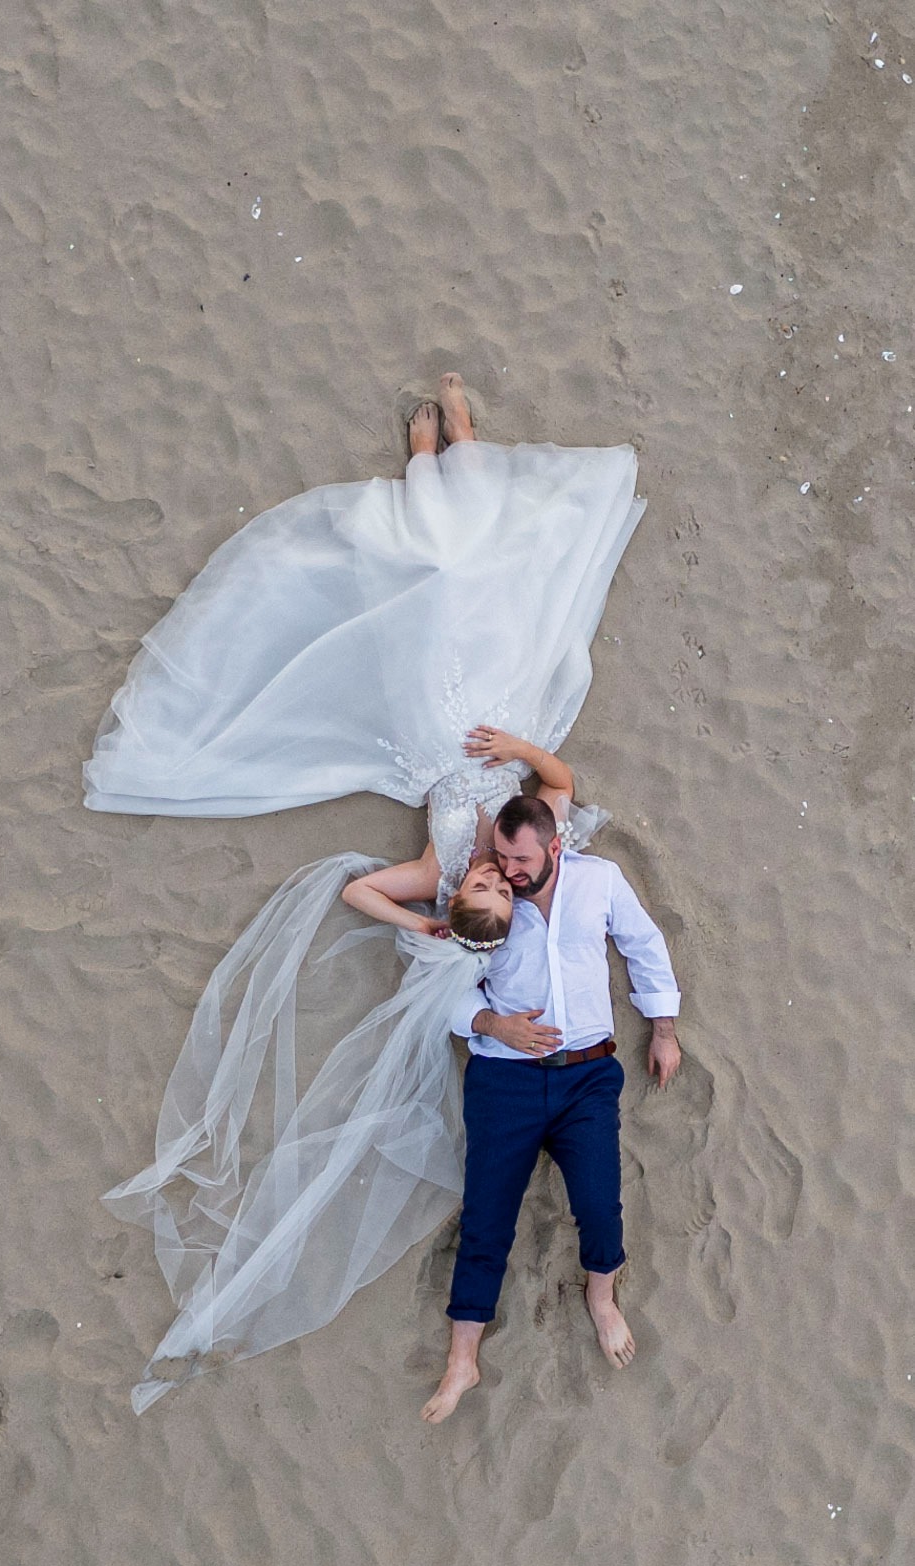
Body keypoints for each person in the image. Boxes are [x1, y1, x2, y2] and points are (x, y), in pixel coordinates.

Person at [94, 375, 650, 1410]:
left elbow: (357, 895)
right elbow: (560, 788)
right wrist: (517, 749)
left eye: (485, 874)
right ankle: (457, 449)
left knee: (426, 607)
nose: (493, 865)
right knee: (483, 595)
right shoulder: (532, 847)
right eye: (494, 873)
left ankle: (428, 463)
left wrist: (427, 911)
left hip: (423, 740)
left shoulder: (444, 877)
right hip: (500, 718)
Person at [421, 793, 681, 1424]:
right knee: (486, 1218)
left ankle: (601, 1295)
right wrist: (492, 1024)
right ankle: (463, 1358)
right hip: (503, 1081)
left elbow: (644, 944)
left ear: (554, 847)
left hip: (587, 1077)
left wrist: (665, 1029)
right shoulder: (481, 900)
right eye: (501, 855)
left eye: (520, 858)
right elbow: (435, 988)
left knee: (598, 1203)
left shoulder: (599, 882)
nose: (507, 869)